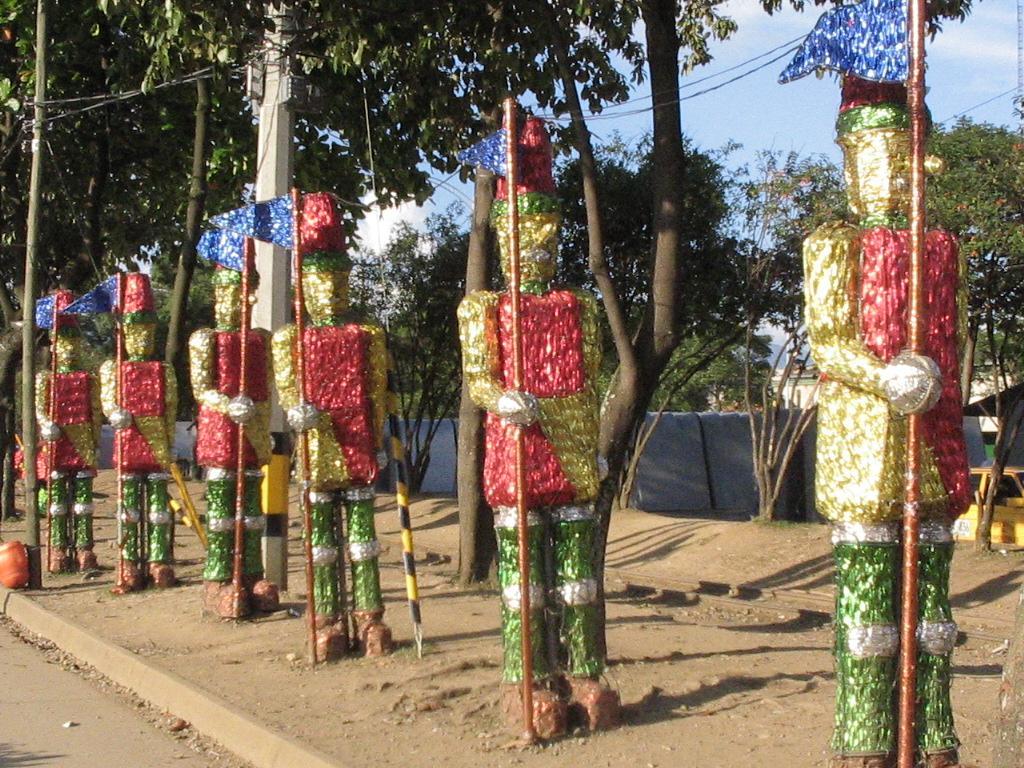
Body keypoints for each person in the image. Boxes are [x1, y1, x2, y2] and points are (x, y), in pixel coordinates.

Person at [801, 76, 968, 768]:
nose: (889, 168)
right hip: (863, 451)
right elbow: (828, 339)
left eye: (901, 152)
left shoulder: (942, 248)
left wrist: (932, 380)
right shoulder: (832, 245)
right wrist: (887, 374)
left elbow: (952, 337)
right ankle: (863, 735)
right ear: (849, 162)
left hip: (931, 444)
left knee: (931, 616)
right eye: (873, 153)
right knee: (869, 612)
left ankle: (931, 732)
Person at [458, 116, 620, 737]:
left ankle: (585, 670)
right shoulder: (485, 308)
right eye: (528, 233)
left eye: (549, 234)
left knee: (578, 581)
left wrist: (592, 446)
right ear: (505, 236)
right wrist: (501, 398)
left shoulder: (577, 306)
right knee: (525, 583)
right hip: (516, 455)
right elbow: (479, 376)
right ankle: (524, 675)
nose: (540, 246)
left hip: (574, 460)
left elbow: (591, 378)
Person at [272, 192, 393, 659]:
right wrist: (297, 409)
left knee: (363, 541)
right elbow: (288, 388)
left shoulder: (367, 336)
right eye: (321, 280)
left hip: (359, 443)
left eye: (338, 280)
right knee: (322, 543)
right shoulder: (292, 339)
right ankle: (326, 617)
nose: (331, 290)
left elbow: (377, 389)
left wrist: (379, 437)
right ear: (305, 282)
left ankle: (370, 617)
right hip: (318, 449)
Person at [189, 262, 279, 618]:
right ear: (221, 295)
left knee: (252, 512)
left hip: (252, 434)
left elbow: (269, 384)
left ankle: (252, 573)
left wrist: (259, 420)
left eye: (250, 291)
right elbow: (201, 388)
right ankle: (218, 576)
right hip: (221, 432)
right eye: (240, 291)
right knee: (223, 511)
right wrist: (228, 404)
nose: (248, 299)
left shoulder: (261, 339)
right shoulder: (205, 339)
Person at [99, 273, 178, 591]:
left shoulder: (164, 371)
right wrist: (115, 412)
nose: (142, 338)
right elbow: (107, 399)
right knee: (129, 508)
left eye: (147, 331)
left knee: (159, 509)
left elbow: (171, 409)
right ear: (125, 332)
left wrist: (170, 442)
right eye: (135, 331)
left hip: (156, 446)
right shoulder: (113, 369)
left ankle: (160, 560)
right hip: (129, 444)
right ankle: (130, 561)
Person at [35, 289, 102, 573]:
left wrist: (96, 441)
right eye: (65, 342)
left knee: (83, 502)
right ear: (54, 345)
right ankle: (59, 548)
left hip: (83, 444)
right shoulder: (45, 379)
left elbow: (96, 413)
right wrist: (45, 423)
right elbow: (40, 408)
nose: (70, 348)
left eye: (74, 342)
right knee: (58, 502)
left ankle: (85, 548)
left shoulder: (89, 379)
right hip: (57, 444)